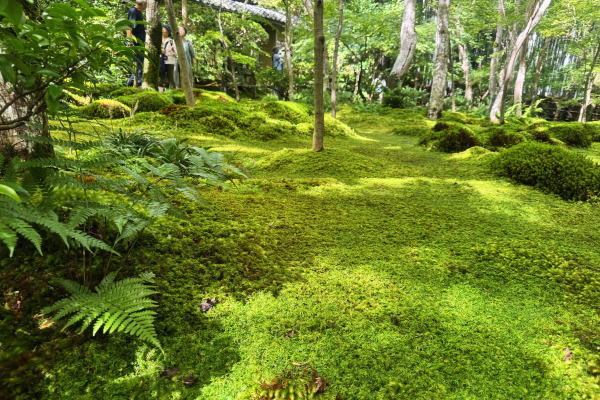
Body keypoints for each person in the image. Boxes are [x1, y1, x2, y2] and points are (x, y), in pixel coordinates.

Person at [126, 0, 147, 87]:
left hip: (140, 43)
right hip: (135, 43)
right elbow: (129, 27)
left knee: (139, 65)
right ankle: (131, 85)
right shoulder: (133, 11)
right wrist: (129, 41)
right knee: (137, 66)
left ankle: (135, 84)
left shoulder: (138, 12)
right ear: (142, 4)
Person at [159, 25, 177, 91]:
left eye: (165, 31)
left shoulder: (172, 41)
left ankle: (174, 92)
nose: (164, 32)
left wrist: (171, 52)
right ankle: (162, 92)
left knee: (170, 77)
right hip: (161, 61)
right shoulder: (159, 40)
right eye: (163, 31)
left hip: (169, 61)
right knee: (161, 77)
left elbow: (176, 53)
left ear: (168, 32)